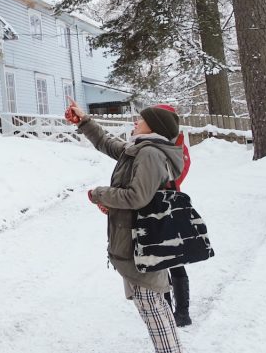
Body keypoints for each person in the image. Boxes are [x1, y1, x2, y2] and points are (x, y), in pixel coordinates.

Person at [66, 98, 185, 353]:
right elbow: (107, 143)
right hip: (137, 242)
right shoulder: (141, 149)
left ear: (152, 127)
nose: (136, 121)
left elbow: (136, 197)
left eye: (141, 119)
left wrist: (99, 194)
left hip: (143, 245)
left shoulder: (151, 154)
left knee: (152, 305)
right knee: (155, 306)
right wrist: (85, 121)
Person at [154, 104, 193, 327]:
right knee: (162, 260)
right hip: (163, 203)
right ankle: (169, 309)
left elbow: (180, 171)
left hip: (167, 204)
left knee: (172, 259)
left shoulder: (175, 143)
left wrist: (166, 183)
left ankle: (182, 311)